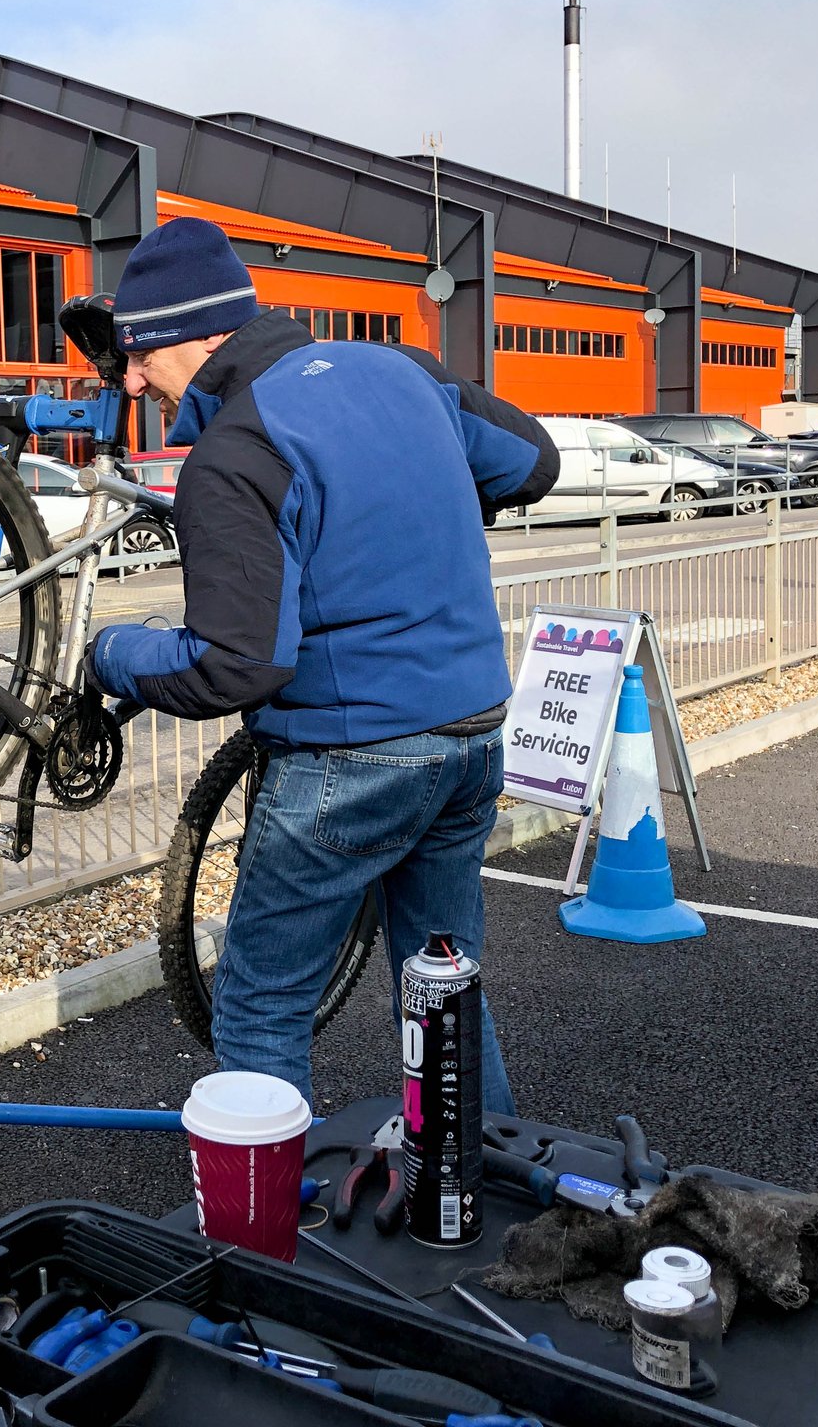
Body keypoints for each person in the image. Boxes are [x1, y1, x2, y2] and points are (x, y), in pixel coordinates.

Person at [85, 218, 556, 1109]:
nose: (135, 380)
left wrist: (112, 655)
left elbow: (236, 665)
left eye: (141, 354)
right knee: (444, 991)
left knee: (263, 1003)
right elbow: (535, 463)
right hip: (471, 737)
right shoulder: (402, 368)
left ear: (193, 332)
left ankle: (261, 1243)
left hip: (351, 759)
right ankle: (488, 1205)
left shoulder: (235, 453)